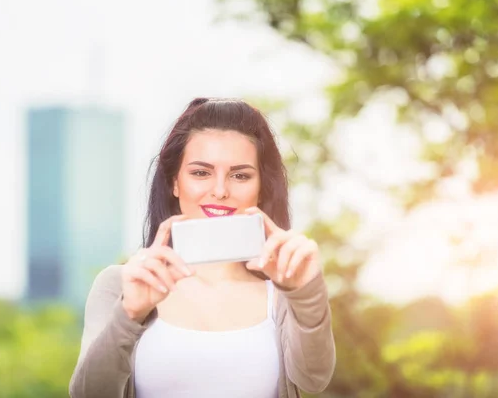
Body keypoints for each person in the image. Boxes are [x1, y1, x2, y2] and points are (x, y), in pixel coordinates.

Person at [69, 97, 336, 398]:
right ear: (174, 182)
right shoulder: (120, 285)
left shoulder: (283, 293)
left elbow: (315, 380)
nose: (220, 191)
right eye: (200, 173)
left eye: (240, 175)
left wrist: (306, 293)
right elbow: (88, 394)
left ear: (261, 187)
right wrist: (129, 314)